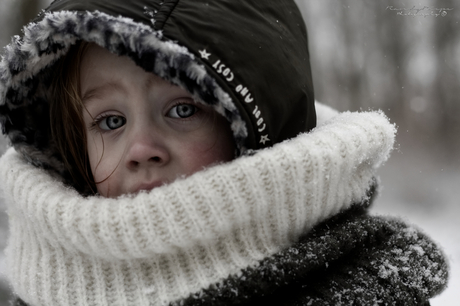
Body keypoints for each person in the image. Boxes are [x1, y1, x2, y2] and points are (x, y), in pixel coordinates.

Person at [0, 0, 448, 305]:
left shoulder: (355, 287)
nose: (139, 149)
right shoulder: (35, 287)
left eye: (181, 109)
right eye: (110, 121)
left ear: (259, 133)